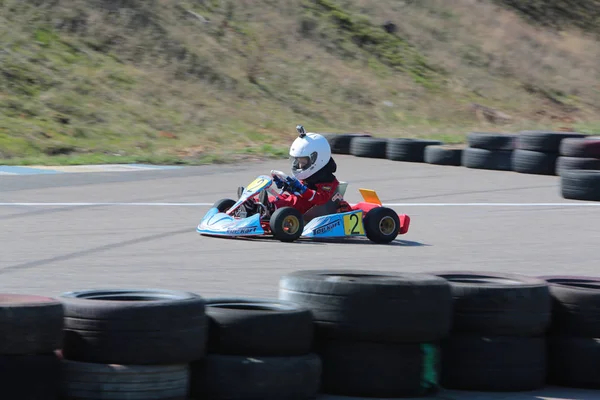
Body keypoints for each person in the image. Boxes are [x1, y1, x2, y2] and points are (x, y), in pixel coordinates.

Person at [239, 125, 340, 219]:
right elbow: (298, 191)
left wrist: (302, 189)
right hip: (299, 201)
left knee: (292, 202)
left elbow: (320, 199)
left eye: (303, 162)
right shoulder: (310, 176)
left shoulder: (328, 181)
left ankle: (269, 209)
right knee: (281, 197)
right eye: (298, 161)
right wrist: (287, 185)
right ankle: (252, 204)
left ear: (318, 159)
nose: (300, 166)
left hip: (311, 209)